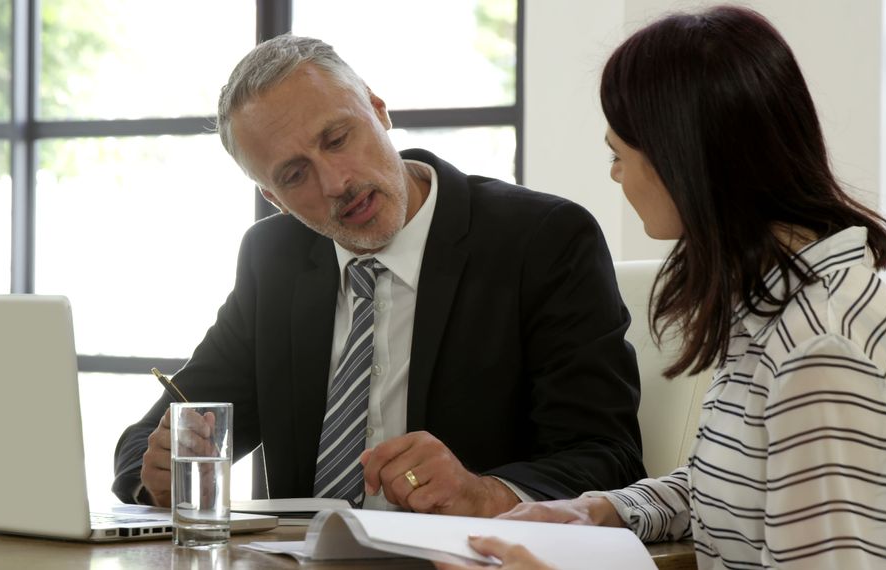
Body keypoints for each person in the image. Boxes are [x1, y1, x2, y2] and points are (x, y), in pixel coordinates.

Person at [438, 5, 886, 568]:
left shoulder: (818, 350)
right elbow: (737, 485)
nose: (615, 174)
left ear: (684, 159)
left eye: (619, 154)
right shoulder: (779, 302)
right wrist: (599, 511)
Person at [112, 34, 646, 518]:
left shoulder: (542, 239)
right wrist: (159, 473)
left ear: (377, 109)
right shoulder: (272, 259)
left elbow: (607, 455)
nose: (336, 183)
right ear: (273, 199)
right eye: (295, 175)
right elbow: (152, 438)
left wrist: (483, 494)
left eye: (338, 138)